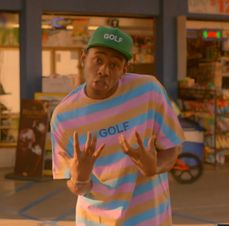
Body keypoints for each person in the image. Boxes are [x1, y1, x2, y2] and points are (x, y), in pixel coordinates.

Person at [50, 26, 184, 226]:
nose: (104, 70)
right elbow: (77, 187)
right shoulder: (64, 117)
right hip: (95, 220)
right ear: (83, 58)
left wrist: (155, 167)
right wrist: (80, 178)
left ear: (124, 70)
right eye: (98, 60)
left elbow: (173, 147)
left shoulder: (149, 91)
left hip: (149, 218)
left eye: (114, 65)